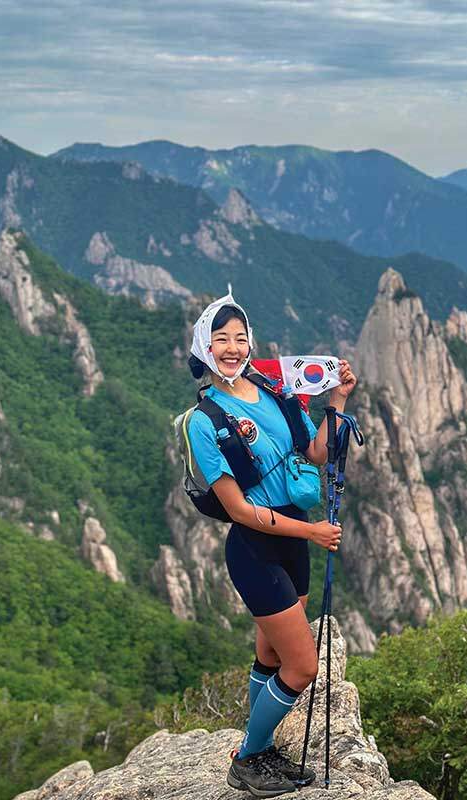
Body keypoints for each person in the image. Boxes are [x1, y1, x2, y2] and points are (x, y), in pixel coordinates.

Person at [187, 288, 357, 798]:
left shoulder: (276, 393)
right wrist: (311, 531)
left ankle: (258, 746)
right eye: (221, 339)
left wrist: (338, 401)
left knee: (269, 654)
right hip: (255, 548)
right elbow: (238, 510)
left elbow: (317, 452)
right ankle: (246, 759)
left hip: (293, 541)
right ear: (204, 348)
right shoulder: (205, 422)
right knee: (302, 665)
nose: (233, 347)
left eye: (240, 337)